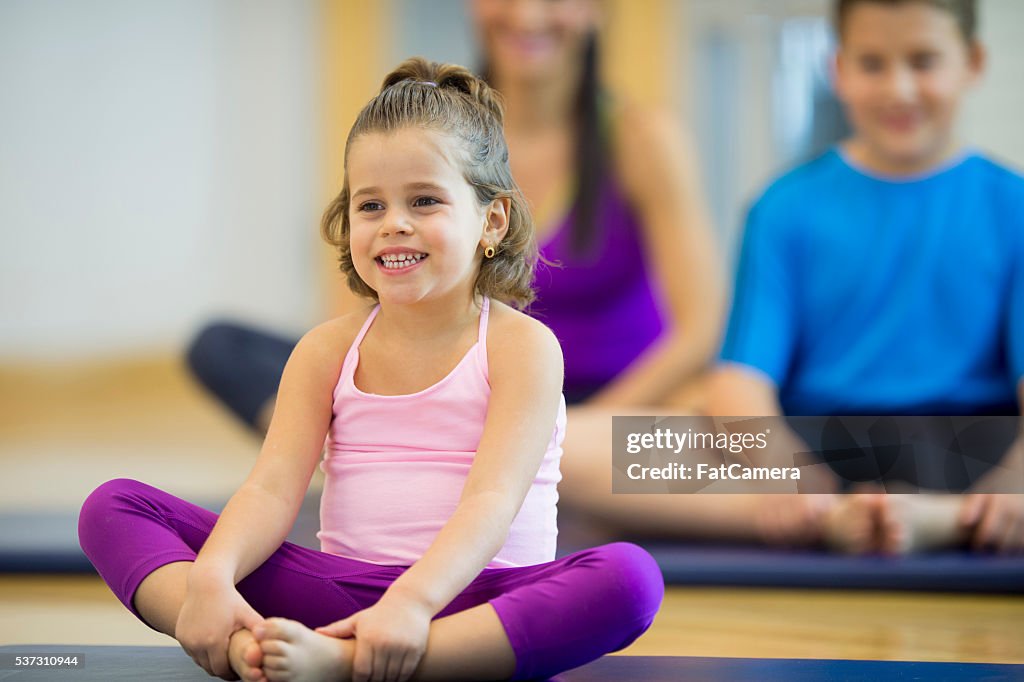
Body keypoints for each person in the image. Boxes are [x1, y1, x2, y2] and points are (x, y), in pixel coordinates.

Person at [79, 58, 664, 682]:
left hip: (477, 598)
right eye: (371, 205)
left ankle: (351, 663)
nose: (394, 224)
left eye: (425, 200)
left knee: (630, 579)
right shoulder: (325, 350)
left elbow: (491, 502)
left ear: (491, 221)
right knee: (112, 506)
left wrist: (411, 604)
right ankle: (242, 641)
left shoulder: (524, 347)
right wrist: (211, 579)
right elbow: (272, 489)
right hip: (340, 594)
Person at [186, 0, 724, 433]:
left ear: (595, 9)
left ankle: (455, 461)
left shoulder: (643, 141)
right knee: (221, 347)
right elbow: (360, 302)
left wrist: (567, 429)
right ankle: (337, 448)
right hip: (466, 400)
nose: (527, 14)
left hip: (602, 409)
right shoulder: (430, 141)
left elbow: (699, 328)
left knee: (753, 443)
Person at [706, 0, 1024, 554]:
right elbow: (739, 385)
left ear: (972, 62)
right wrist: (792, 476)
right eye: (873, 64)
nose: (898, 89)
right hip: (817, 446)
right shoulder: (784, 205)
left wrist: (1014, 481)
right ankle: (898, 520)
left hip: (976, 448)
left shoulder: (1012, 203)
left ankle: (933, 517)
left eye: (923, 61)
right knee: (599, 451)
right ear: (839, 69)